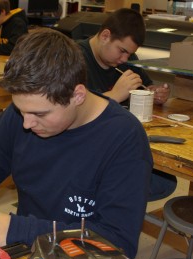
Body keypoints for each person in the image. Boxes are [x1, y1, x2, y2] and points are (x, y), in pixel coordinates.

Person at [0, 28, 153, 259]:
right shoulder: (25, 113)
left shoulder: (124, 138)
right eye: (21, 110)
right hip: (28, 249)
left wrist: (15, 229)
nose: (26, 123)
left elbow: (117, 241)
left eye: (39, 114)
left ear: (77, 96)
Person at [77, 8, 177, 202]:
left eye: (129, 54)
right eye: (122, 51)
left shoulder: (127, 61)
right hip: (87, 152)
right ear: (105, 36)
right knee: (152, 181)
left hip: (119, 143)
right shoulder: (75, 59)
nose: (124, 59)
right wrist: (114, 95)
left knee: (164, 180)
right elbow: (69, 112)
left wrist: (155, 93)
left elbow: (146, 86)